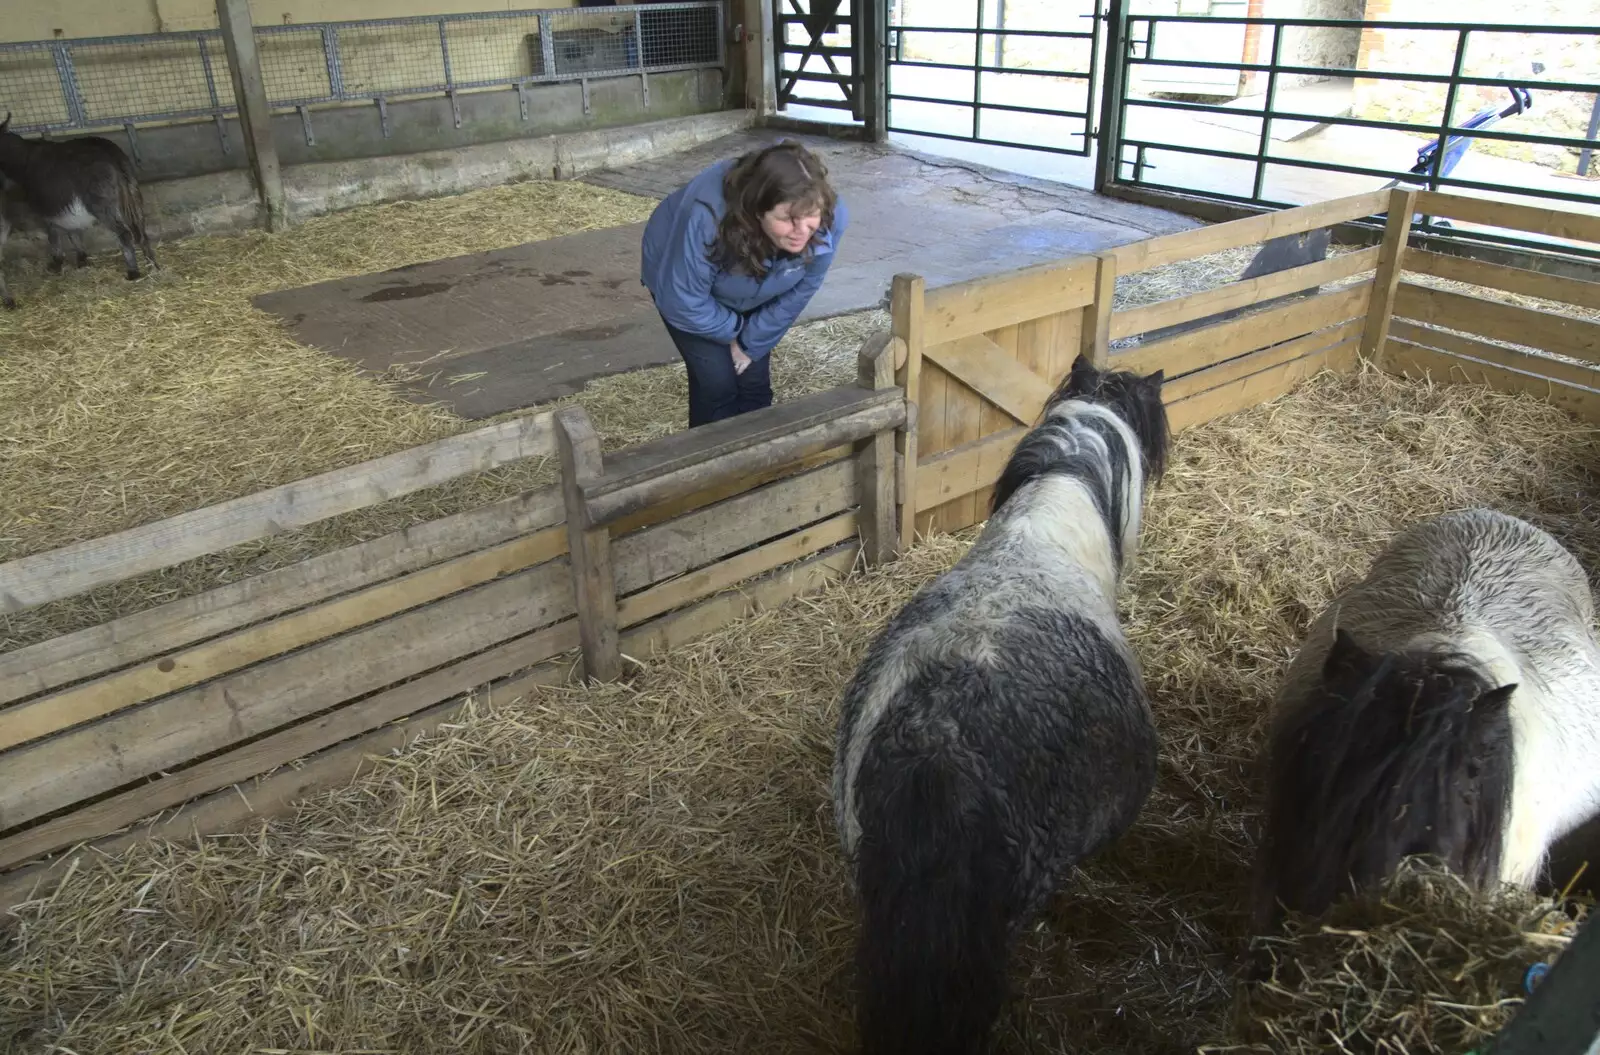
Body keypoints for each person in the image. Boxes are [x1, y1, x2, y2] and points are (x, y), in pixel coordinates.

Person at [640, 141, 847, 428]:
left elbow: (804, 287)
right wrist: (735, 330)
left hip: (754, 283)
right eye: (787, 218)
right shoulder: (707, 218)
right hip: (685, 285)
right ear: (758, 209)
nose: (802, 231)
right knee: (717, 386)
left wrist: (750, 342)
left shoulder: (827, 218)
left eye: (810, 216)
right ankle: (711, 466)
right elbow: (683, 299)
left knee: (753, 384)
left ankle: (759, 464)